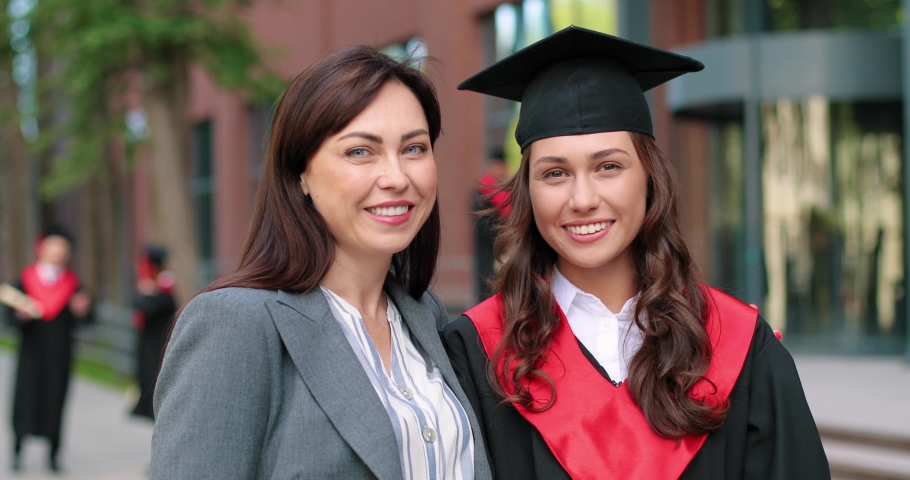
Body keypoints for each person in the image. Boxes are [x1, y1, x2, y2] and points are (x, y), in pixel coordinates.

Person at [443, 26, 830, 479]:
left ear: (649, 178)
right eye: (554, 174)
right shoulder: (480, 353)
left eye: (609, 166)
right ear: (527, 193)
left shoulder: (739, 345)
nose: (582, 198)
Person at [150, 46, 492, 480]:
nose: (396, 177)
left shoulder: (424, 316)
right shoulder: (236, 326)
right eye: (359, 152)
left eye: (414, 148)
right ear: (300, 175)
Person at [2, 227, 93, 473]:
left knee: (55, 402)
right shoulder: (25, 279)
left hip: (60, 356)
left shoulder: (73, 283)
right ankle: (18, 452)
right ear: (41, 249)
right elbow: (7, 317)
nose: (57, 252)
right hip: (31, 355)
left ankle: (53, 456)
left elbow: (87, 320)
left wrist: (82, 312)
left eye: (62, 248)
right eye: (53, 247)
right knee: (24, 402)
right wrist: (19, 316)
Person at [130, 244, 177, 421]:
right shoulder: (150, 286)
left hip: (159, 340)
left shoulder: (165, 287)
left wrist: (148, 295)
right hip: (147, 340)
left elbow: (153, 310)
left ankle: (155, 409)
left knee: (155, 373)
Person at [473, 149, 510, 301]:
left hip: (506, 253)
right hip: (487, 252)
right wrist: (507, 236)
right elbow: (482, 226)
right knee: (486, 293)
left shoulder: (509, 192)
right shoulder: (480, 193)